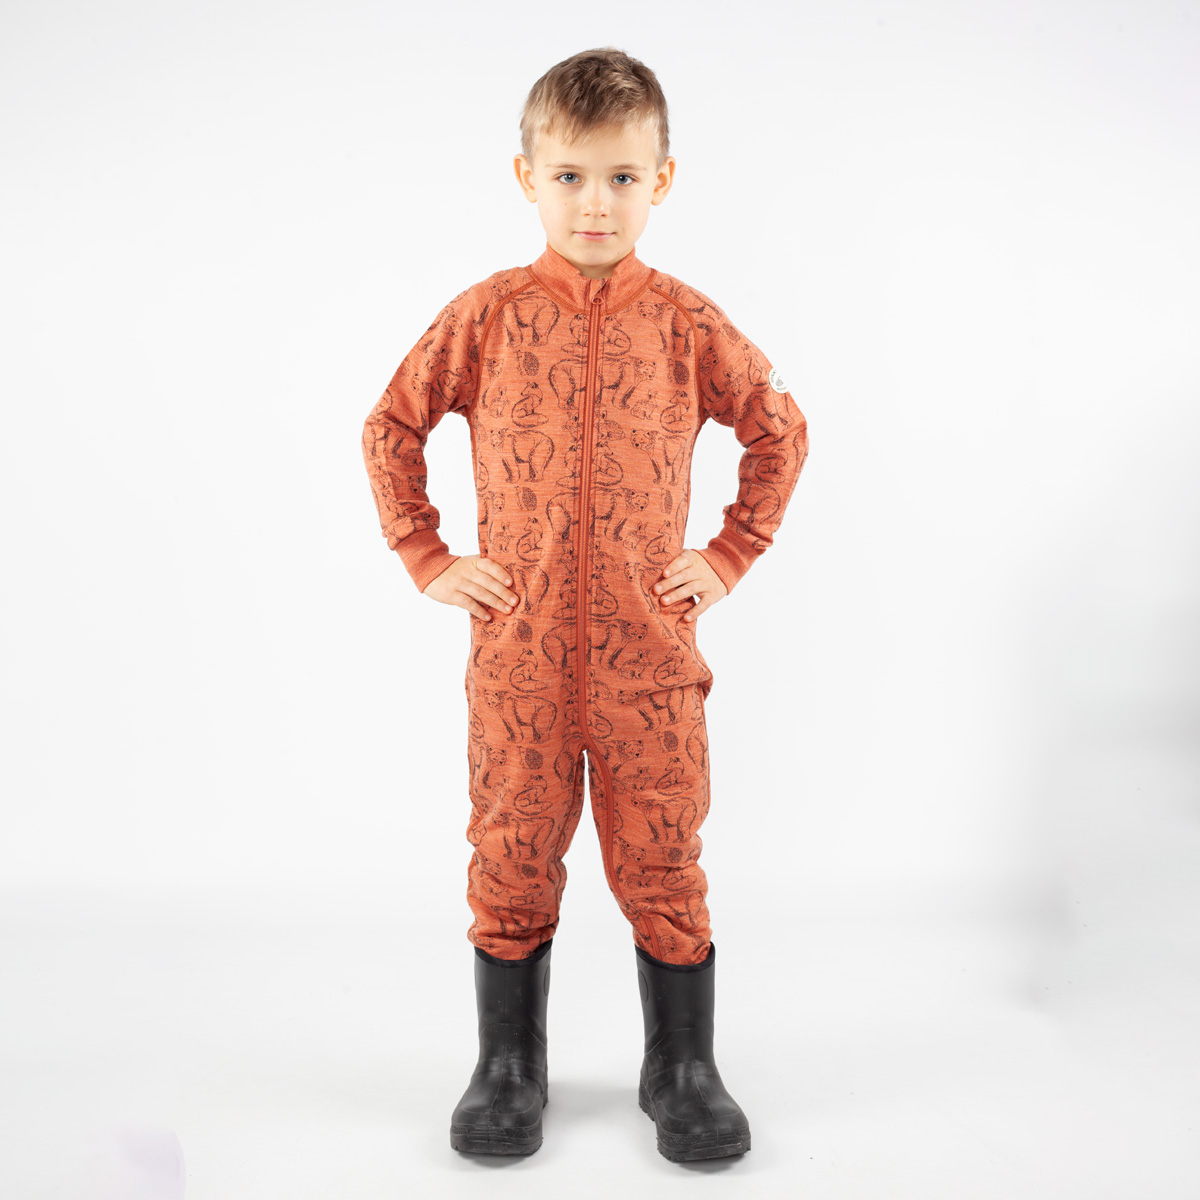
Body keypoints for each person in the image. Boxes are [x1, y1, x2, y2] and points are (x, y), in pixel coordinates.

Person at [361, 46, 809, 1162]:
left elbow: (779, 429)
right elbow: (392, 425)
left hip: (649, 661)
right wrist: (427, 555)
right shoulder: (488, 316)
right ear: (527, 177)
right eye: (570, 176)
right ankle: (508, 1066)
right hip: (518, 660)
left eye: (620, 177)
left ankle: (683, 1066)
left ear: (663, 180)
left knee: (664, 858)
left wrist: (731, 551)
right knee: (510, 854)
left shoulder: (688, 324)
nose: (595, 203)